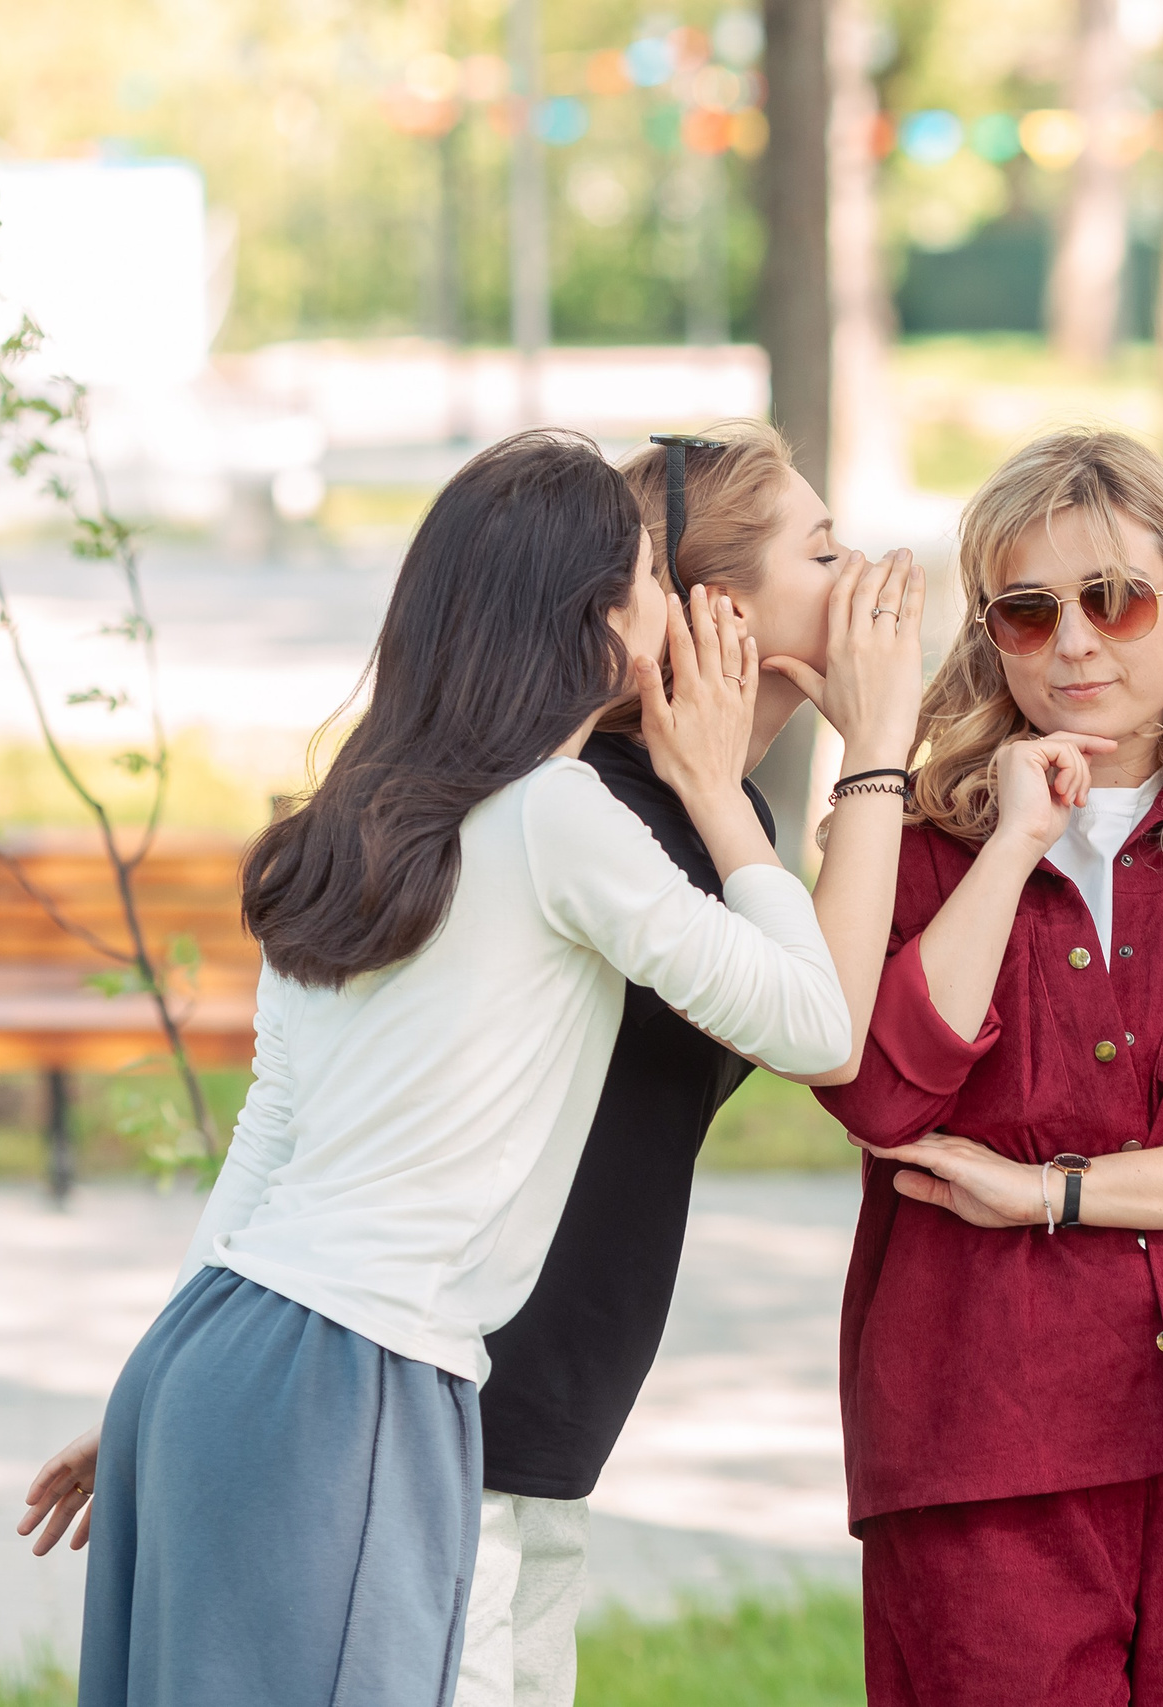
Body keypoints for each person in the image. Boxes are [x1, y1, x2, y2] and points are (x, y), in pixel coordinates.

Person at [14, 431, 855, 1707]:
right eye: (644, 579)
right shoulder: (560, 817)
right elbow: (813, 1025)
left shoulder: (351, 823)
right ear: (596, 621)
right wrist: (724, 795)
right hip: (368, 1374)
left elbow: (270, 1136)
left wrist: (146, 1386)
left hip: (219, 1352)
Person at [815, 427, 1163, 1707]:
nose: (1076, 645)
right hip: (981, 1432)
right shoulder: (912, 841)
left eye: (1115, 600)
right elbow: (880, 1092)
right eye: (1027, 612)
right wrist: (1015, 843)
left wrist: (1056, 1195)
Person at [454, 421, 923, 1707]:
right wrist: (875, 746)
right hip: (471, 1398)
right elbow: (832, 1031)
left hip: (539, 1409)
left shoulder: (710, 816)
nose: (865, 571)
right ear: (716, 609)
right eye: (823, 551)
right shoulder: (603, 815)